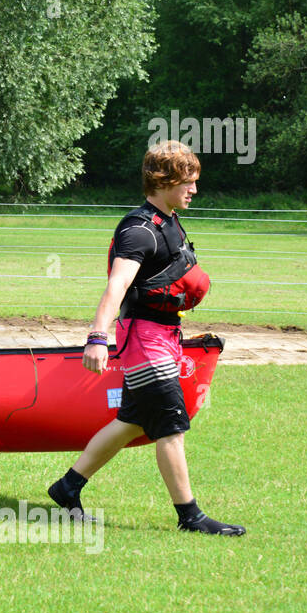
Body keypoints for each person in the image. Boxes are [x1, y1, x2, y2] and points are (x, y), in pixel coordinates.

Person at [47, 141, 244, 536]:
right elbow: (116, 287)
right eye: (187, 182)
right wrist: (96, 337)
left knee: (133, 421)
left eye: (194, 182)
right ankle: (191, 516)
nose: (194, 190)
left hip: (163, 336)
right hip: (144, 341)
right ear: (164, 181)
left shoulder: (168, 220)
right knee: (171, 425)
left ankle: (67, 487)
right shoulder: (138, 230)